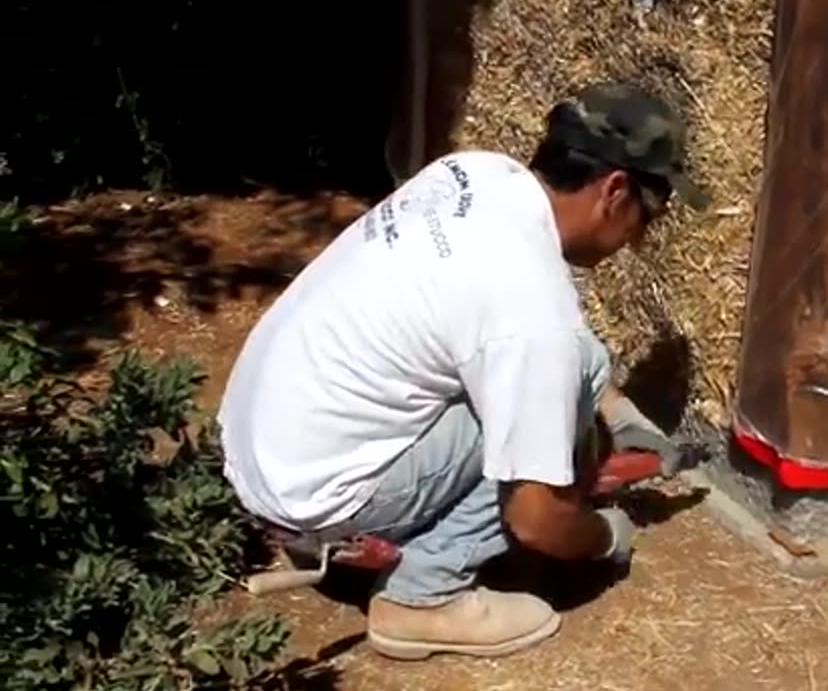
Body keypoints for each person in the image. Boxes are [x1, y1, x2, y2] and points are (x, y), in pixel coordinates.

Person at [216, 81, 709, 661]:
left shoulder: (474, 174)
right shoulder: (534, 314)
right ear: (615, 190)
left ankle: (334, 531)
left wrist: (613, 409)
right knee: (555, 395)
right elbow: (534, 521)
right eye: (648, 216)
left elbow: (514, 337)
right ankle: (423, 596)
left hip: (259, 451)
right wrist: (604, 537)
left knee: (573, 367)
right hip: (315, 497)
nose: (637, 239)